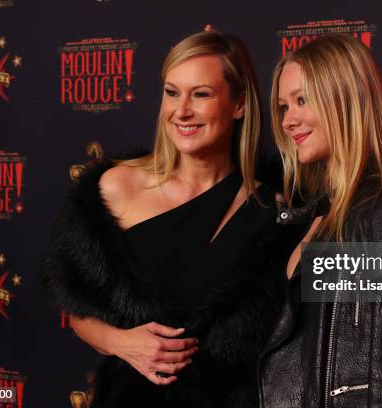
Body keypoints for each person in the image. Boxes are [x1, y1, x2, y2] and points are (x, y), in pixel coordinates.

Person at [41, 30, 293, 408]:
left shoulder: (276, 208)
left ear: (239, 104)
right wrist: (122, 343)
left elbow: (375, 286)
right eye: (172, 92)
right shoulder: (116, 188)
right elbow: (76, 306)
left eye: (202, 94)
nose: (182, 110)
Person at [258, 35, 382, 407]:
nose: (288, 120)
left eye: (302, 100)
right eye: (282, 106)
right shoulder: (321, 211)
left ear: (345, 99)